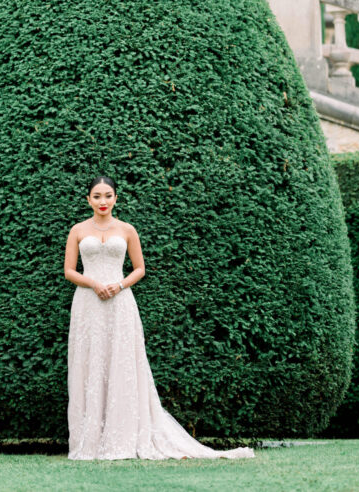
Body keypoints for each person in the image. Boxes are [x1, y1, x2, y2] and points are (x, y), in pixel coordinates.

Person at [64, 175, 256, 461]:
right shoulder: (78, 230)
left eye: (108, 195)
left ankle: (121, 437)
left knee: (121, 362)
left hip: (120, 302)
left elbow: (139, 268)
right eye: (97, 196)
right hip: (88, 303)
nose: (103, 201)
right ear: (88, 200)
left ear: (116, 198)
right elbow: (69, 271)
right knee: (90, 362)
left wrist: (119, 285)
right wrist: (93, 283)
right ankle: (89, 440)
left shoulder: (127, 229)